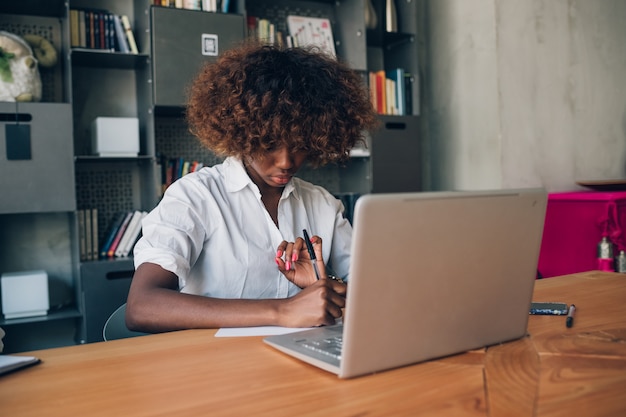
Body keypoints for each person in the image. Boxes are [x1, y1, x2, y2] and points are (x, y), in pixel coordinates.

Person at [125, 42, 379, 333]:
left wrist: (325, 285)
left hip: (300, 361)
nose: (286, 162)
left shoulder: (322, 204)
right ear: (243, 133)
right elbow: (141, 307)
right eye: (269, 144)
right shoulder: (196, 197)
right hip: (215, 367)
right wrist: (282, 310)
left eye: (299, 146)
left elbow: (373, 291)